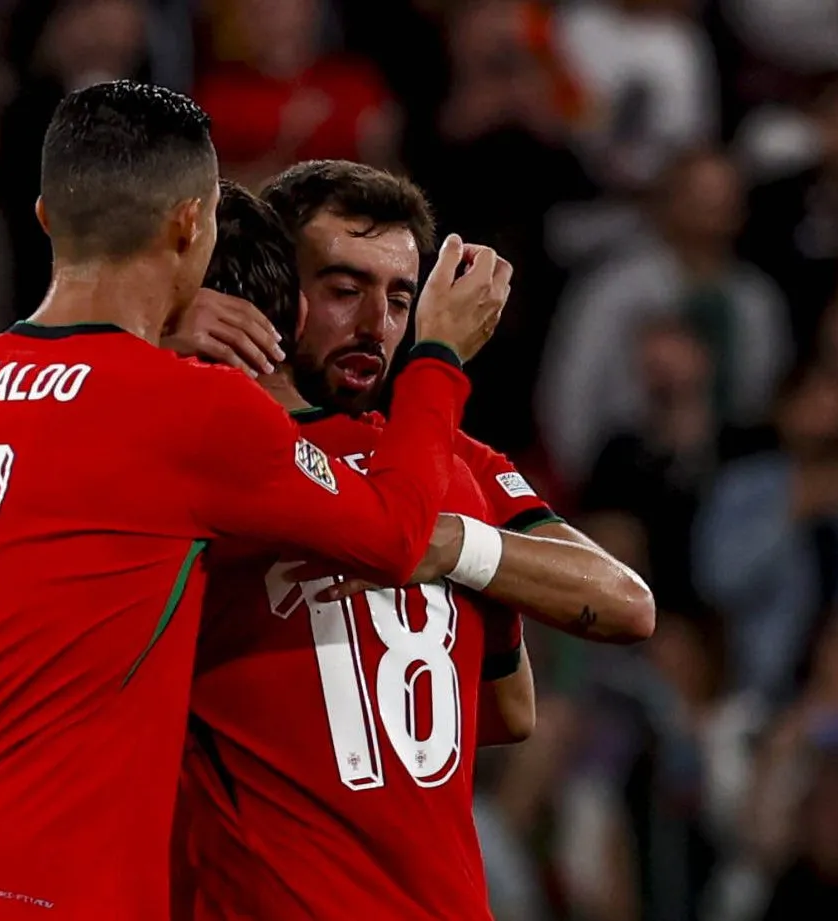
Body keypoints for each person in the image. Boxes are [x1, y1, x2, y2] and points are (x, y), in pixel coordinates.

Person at [0, 80, 508, 920]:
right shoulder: (193, 413)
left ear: (46, 218)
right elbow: (399, 535)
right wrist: (437, 354)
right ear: (192, 224)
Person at [167, 166, 654, 921]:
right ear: (269, 289)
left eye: (401, 299)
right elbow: (511, 706)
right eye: (342, 288)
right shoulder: (236, 458)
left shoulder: (445, 466)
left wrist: (450, 543)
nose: (377, 326)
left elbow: (624, 603)